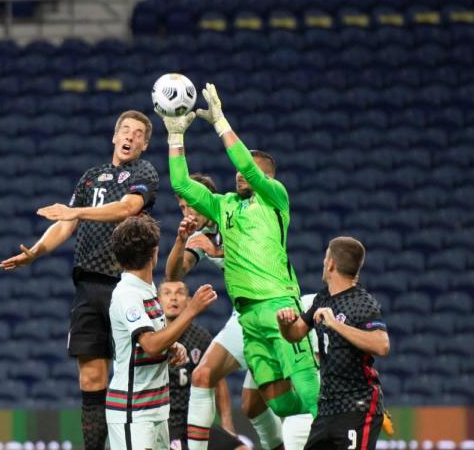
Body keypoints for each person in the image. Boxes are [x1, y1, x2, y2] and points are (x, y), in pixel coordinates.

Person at [159, 83, 319, 450]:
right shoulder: (224, 205)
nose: (240, 175)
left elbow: (245, 163)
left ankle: (338, 436)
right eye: (238, 173)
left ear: (268, 178)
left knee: (308, 390)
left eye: (251, 171)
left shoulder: (275, 200)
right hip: (247, 318)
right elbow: (182, 183)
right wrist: (175, 135)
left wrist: (220, 123)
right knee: (278, 401)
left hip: (280, 306)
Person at [0, 110, 160, 450]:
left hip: (126, 285)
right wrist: (37, 252)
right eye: (125, 131)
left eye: (137, 134)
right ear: (114, 137)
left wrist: (76, 212)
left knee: (132, 376)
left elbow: (126, 209)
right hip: (88, 286)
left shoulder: (144, 173)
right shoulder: (90, 177)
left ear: (144, 144)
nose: (130, 137)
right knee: (91, 379)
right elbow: (65, 225)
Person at [165, 174, 303, 450]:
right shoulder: (201, 236)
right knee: (207, 379)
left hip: (274, 308)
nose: (187, 211)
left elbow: (256, 256)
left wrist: (216, 252)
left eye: (190, 204)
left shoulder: (239, 213)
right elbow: (174, 274)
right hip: (245, 317)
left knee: (271, 400)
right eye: (182, 208)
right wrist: (181, 240)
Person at [106, 215, 217, 450]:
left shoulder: (146, 289)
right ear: (154, 253)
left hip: (156, 409)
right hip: (133, 412)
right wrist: (192, 309)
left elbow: (152, 343)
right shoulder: (128, 294)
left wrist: (173, 347)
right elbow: (150, 344)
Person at [277, 237, 390, 450]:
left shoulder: (362, 303)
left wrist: (335, 324)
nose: (323, 262)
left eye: (325, 257)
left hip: (357, 406)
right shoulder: (323, 298)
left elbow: (382, 344)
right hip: (327, 408)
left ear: (331, 264)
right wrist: (283, 323)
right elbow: (295, 334)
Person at [159, 280, 246, 450]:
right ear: (158, 301)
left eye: (179, 293)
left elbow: (219, 381)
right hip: (164, 425)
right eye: (167, 293)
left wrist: (227, 425)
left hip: (195, 421)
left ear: (190, 301)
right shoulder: (154, 336)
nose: (173, 298)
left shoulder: (200, 337)